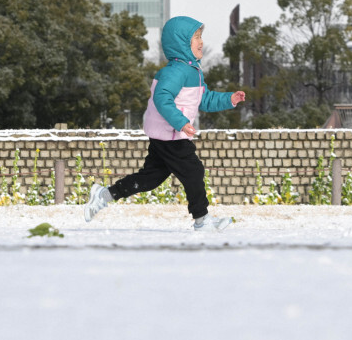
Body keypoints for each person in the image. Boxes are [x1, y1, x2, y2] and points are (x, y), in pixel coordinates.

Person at [84, 16, 246, 231]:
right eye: (196, 37)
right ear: (181, 42)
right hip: (171, 135)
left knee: (150, 178)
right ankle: (202, 219)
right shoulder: (176, 71)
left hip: (166, 135)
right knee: (193, 171)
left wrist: (229, 99)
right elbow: (162, 98)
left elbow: (203, 100)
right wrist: (181, 123)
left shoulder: (191, 71)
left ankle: (105, 194)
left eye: (201, 36)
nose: (201, 42)